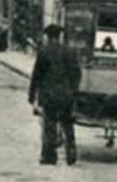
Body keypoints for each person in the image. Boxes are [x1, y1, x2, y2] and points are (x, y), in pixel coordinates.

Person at [28, 23, 81, 166]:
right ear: (59, 36)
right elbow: (77, 73)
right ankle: (71, 152)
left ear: (48, 36)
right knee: (67, 123)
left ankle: (49, 156)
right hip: (66, 95)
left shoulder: (44, 52)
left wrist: (32, 95)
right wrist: (73, 90)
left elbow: (36, 75)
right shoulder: (69, 51)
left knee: (50, 124)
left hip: (49, 94)